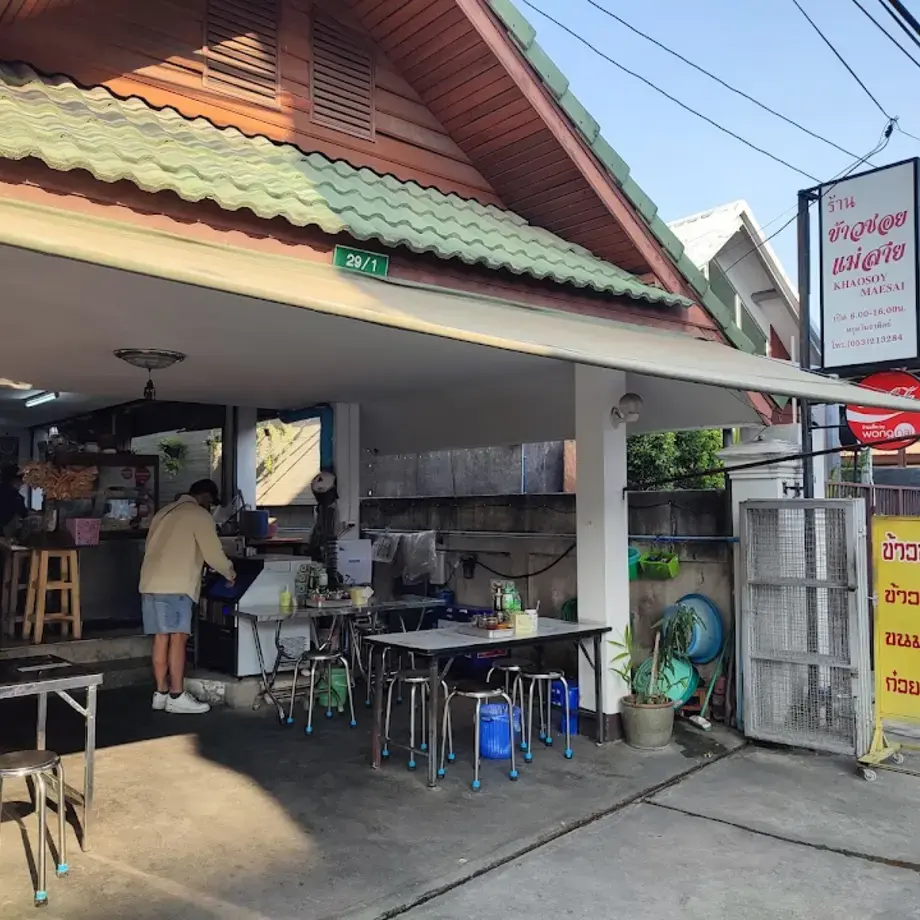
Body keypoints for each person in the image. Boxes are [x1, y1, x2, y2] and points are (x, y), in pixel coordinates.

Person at [139, 479, 235, 714]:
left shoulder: (163, 513)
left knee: (161, 638)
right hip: (175, 585)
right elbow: (213, 553)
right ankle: (176, 695)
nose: (210, 508)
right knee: (178, 638)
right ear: (205, 497)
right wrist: (230, 573)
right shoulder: (199, 516)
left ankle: (160, 694)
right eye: (211, 503)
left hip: (150, 583)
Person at [0, 463, 27, 541]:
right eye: (20, 480)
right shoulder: (15, 496)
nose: (22, 484)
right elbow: (23, 513)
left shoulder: (16, 496)